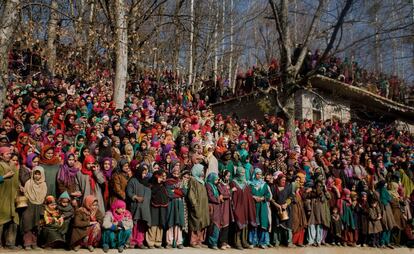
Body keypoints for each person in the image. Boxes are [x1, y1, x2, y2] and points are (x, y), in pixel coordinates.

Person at [230, 166, 256, 250]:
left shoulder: (246, 183)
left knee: (246, 225)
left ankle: (244, 241)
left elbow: (249, 195)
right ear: (237, 173)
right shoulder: (233, 183)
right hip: (238, 206)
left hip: (246, 206)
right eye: (241, 173)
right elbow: (231, 194)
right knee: (238, 224)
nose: (243, 174)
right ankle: (237, 242)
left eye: (244, 173)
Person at [126, 164, 151, 249]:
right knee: (135, 224)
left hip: (144, 207)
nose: (144, 175)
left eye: (145, 173)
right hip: (135, 206)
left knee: (142, 224)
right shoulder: (133, 180)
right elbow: (129, 192)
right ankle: (132, 242)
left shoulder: (146, 182)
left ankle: (140, 242)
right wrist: (136, 197)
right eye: (143, 173)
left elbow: (149, 194)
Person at [22, 166, 47, 250]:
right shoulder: (28, 183)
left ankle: (34, 243)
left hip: (39, 206)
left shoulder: (43, 184)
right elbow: (26, 193)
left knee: (36, 225)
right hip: (29, 206)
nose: (37, 176)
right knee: (28, 224)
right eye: (35, 174)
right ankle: (27, 243)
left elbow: (43, 196)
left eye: (39, 174)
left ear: (42, 175)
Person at [0, 146, 20, 249]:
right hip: (2, 197)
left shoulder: (13, 165)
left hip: (13, 197)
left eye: (9, 154)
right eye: (7, 154)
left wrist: (20, 186)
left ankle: (10, 243)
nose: (9, 155)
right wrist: (4, 177)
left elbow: (17, 179)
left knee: (14, 220)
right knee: (1, 220)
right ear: (1, 156)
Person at [187, 164, 210, 248]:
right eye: (201, 170)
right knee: (195, 223)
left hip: (203, 206)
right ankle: (193, 241)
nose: (203, 172)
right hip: (197, 206)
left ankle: (200, 241)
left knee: (202, 223)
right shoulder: (193, 180)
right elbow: (191, 194)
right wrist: (194, 205)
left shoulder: (201, 181)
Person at [249, 168, 271, 248]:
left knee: (262, 224)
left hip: (262, 206)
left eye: (260, 174)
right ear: (254, 174)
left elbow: (268, 195)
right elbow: (247, 194)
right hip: (254, 206)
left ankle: (262, 242)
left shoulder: (264, 184)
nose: (259, 175)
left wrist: (262, 198)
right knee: (254, 223)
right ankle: (253, 241)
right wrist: (253, 197)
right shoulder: (250, 184)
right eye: (257, 174)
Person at [165, 165, 185, 249]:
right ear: (172, 172)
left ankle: (179, 242)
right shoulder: (168, 182)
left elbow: (184, 192)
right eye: (174, 172)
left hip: (179, 204)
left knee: (178, 222)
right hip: (171, 203)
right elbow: (169, 193)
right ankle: (169, 242)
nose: (176, 174)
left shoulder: (181, 182)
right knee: (171, 222)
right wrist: (178, 192)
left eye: (178, 172)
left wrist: (175, 191)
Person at [147, 170, 168, 248]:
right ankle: (151, 242)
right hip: (153, 205)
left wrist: (162, 183)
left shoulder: (164, 184)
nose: (161, 178)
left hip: (162, 206)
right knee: (153, 223)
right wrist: (157, 184)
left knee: (160, 223)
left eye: (162, 176)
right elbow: (152, 193)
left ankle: (158, 242)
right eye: (160, 176)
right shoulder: (151, 184)